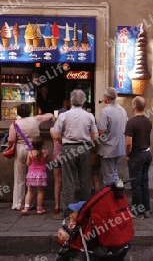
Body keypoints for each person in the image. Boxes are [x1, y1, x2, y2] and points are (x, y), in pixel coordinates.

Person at [51, 89, 98, 218]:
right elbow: (95, 136)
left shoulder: (63, 116)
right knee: (85, 179)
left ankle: (67, 211)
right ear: (83, 101)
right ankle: (86, 209)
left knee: (68, 180)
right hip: (84, 148)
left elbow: (55, 134)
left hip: (68, 148)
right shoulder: (89, 116)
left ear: (71, 101)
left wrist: (65, 140)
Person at [7, 103, 53, 211]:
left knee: (20, 178)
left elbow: (11, 139)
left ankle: (19, 203)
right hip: (34, 150)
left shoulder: (15, 124)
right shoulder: (35, 119)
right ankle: (32, 203)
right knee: (34, 176)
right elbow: (50, 115)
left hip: (20, 149)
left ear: (18, 113)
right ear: (30, 111)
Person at [125, 96, 152, 219]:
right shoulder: (148, 121)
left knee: (135, 183)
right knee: (144, 182)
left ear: (135, 106)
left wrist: (127, 153)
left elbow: (128, 142)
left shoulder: (131, 122)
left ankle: (137, 211)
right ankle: (146, 208)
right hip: (147, 153)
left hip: (136, 155)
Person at [97, 87, 128, 187]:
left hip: (108, 149)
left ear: (106, 98)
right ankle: (117, 198)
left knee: (108, 179)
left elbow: (101, 131)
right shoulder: (123, 110)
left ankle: (110, 199)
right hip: (119, 148)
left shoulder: (105, 111)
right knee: (114, 173)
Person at [21, 136, 49, 215]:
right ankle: (39, 208)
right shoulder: (45, 152)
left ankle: (26, 208)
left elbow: (28, 163)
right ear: (42, 144)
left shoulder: (30, 152)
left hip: (31, 174)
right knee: (40, 191)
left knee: (29, 191)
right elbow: (47, 162)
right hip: (41, 174)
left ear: (33, 144)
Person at [49, 108, 68, 214]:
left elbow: (56, 138)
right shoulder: (69, 128)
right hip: (68, 155)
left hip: (56, 156)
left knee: (57, 181)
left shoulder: (52, 129)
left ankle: (57, 205)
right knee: (68, 181)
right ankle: (66, 203)